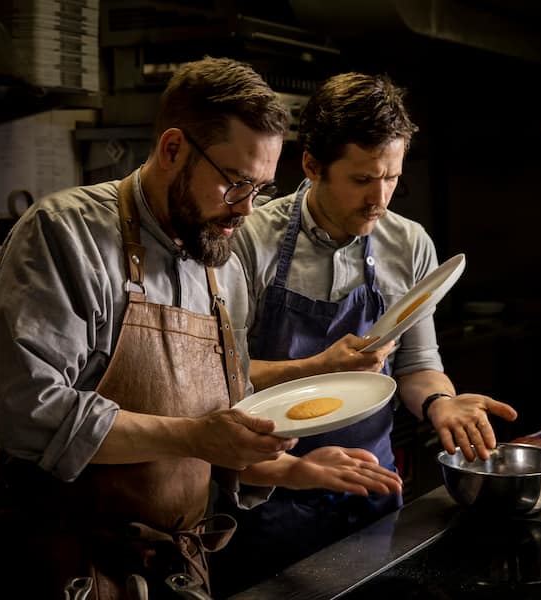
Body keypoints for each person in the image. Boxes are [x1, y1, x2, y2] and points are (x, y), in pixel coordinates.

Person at [0, 57, 401, 600]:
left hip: (177, 574)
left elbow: (222, 432)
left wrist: (289, 468)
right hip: (61, 568)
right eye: (236, 183)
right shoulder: (65, 233)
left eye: (260, 189)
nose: (245, 210)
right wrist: (195, 435)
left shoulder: (223, 266)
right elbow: (29, 413)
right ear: (173, 150)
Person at [211, 72, 519, 596]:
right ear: (311, 166)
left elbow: (417, 364)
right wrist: (315, 369)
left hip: (370, 487)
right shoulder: (247, 243)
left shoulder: (409, 244)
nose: (380, 199)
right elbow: (220, 377)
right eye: (362, 180)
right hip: (266, 490)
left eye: (392, 178)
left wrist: (441, 403)